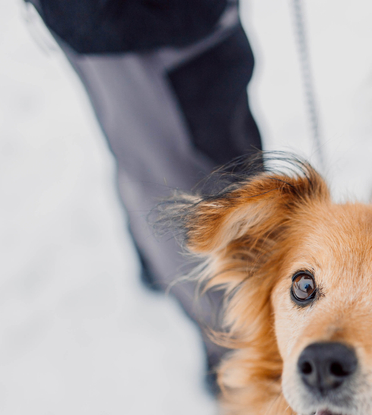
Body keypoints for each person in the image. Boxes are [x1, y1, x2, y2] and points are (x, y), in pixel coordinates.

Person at [27, 0, 264, 393]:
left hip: (115, 23)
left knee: (148, 152)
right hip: (149, 24)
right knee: (199, 187)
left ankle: (162, 269)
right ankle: (242, 347)